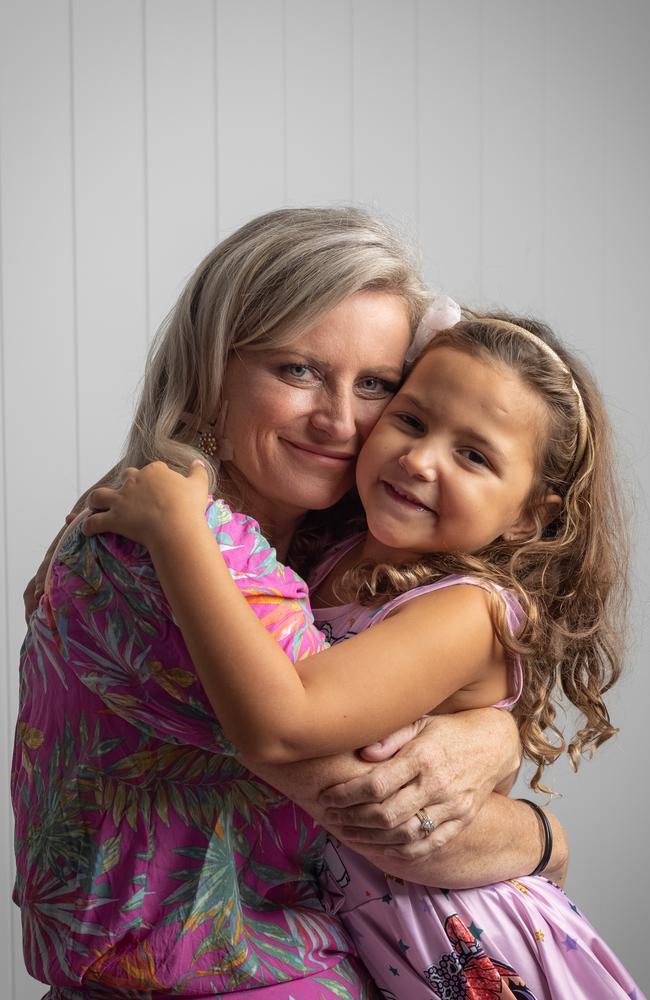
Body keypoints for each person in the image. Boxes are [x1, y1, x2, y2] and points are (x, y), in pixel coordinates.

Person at [13, 208, 565, 1000]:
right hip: (227, 977)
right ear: (212, 367)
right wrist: (547, 838)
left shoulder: (317, 535)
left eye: (375, 385)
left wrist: (490, 728)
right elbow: (395, 816)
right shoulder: (191, 545)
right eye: (298, 370)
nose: (340, 421)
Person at [82, 305, 641, 999]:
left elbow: (284, 724)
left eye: (473, 455)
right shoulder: (340, 544)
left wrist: (178, 535)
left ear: (533, 515)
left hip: (471, 945)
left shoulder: (471, 610)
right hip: (371, 933)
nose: (419, 459)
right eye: (410, 420)